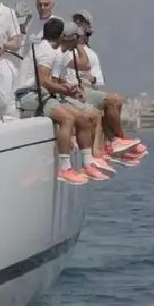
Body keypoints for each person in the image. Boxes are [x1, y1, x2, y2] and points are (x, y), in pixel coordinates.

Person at [15, 18, 109, 184]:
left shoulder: (45, 48)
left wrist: (66, 88)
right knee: (68, 118)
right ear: (60, 36)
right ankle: (65, 168)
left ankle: (87, 163)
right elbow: (44, 81)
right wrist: (65, 90)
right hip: (28, 96)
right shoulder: (46, 51)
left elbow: (49, 81)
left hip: (39, 94)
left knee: (83, 117)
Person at [70, 10, 148, 164]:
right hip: (75, 92)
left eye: (81, 21)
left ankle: (116, 145)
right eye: (76, 21)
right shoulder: (67, 48)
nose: (78, 24)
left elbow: (99, 79)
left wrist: (91, 78)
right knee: (114, 101)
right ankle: (117, 142)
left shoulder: (91, 53)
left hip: (89, 91)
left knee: (113, 102)